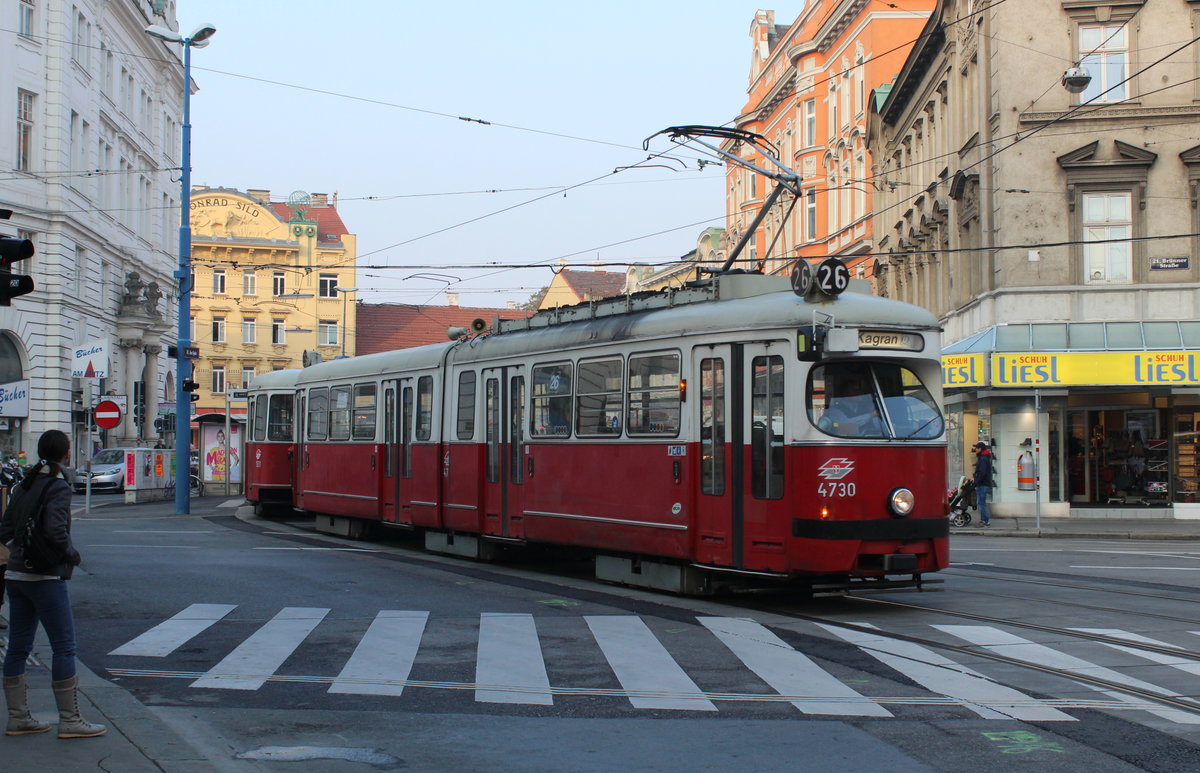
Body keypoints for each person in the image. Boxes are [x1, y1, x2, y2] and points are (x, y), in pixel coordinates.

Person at [0, 429, 105, 738]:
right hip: (45, 577)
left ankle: (18, 717)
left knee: (18, 648)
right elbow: (56, 531)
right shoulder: (57, 486)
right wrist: (71, 556)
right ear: (65, 454)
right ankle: (70, 720)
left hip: (16, 574)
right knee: (64, 647)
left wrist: (21, 550)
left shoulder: (23, 484)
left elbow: (4, 527)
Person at [972, 441, 994, 527]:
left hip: (982, 484)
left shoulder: (983, 459)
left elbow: (982, 472)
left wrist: (976, 481)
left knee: (981, 503)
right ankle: (984, 520)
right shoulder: (983, 457)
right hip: (984, 483)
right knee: (981, 503)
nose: (975, 449)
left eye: (976, 448)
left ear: (980, 449)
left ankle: (985, 521)